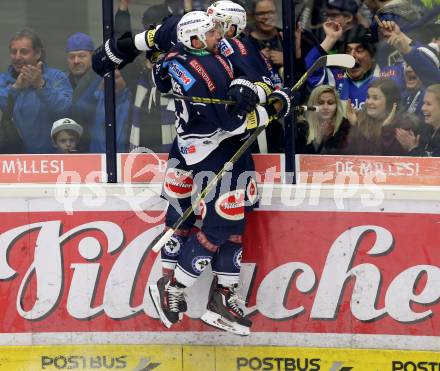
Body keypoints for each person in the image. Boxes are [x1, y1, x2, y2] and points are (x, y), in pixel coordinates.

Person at [147, 11, 289, 336]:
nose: (219, 36)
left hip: (201, 147)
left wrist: (247, 90)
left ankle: (223, 298)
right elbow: (230, 122)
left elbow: (162, 73)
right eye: (212, 32)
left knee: (232, 221)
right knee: (219, 224)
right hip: (214, 150)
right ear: (195, 40)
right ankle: (173, 288)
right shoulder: (201, 69)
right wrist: (271, 110)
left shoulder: (182, 56)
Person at [0, 29, 72, 153]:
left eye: (24, 52)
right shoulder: (2, 81)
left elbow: (66, 111)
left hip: (49, 160)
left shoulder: (57, 77)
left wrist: (40, 85)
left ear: (38, 53)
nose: (17, 57)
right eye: (13, 52)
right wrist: (15, 89)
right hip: (13, 161)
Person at [345, 77, 420, 155]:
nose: (369, 102)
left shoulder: (403, 127)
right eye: (368, 97)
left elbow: (383, 159)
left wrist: (387, 129)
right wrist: (354, 125)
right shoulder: (359, 120)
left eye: (375, 98)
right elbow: (351, 156)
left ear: (389, 102)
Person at [295, 85, 356, 154]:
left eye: (330, 103)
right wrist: (319, 140)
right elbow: (300, 159)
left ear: (337, 106)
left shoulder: (344, 126)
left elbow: (353, 153)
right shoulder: (301, 128)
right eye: (320, 103)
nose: (325, 107)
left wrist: (354, 125)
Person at [65, 32, 101, 151]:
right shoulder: (61, 83)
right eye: (72, 57)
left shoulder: (103, 81)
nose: (76, 61)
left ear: (92, 56)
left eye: (81, 56)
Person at [398, 84, 440, 156]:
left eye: (428, 104)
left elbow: (432, 165)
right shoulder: (425, 130)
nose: (423, 108)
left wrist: (412, 148)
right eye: (424, 103)